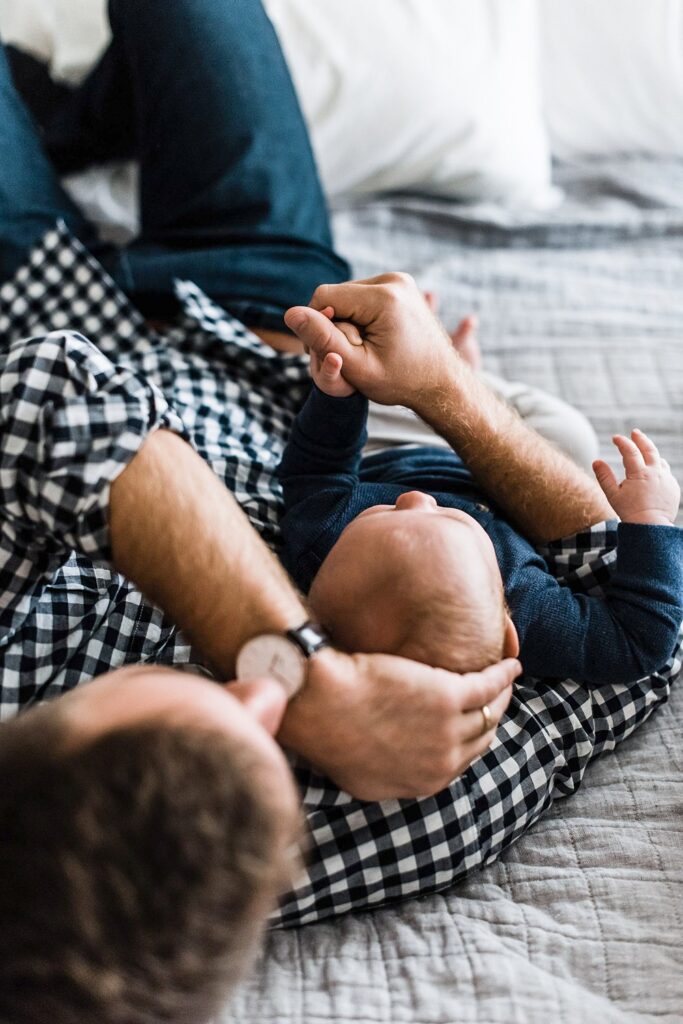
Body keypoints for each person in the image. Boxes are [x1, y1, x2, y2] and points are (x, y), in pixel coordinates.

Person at [0, 3, 520, 1021]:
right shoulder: (223, 874)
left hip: (28, 295)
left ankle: (53, 111)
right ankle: (62, 110)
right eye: (278, 729)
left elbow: (47, 391)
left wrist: (316, 684)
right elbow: (639, 619)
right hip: (272, 316)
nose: (267, 690)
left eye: (213, 682)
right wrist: (461, 402)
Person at [278, 296, 683, 683]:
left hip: (393, 445)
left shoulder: (319, 535)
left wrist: (337, 400)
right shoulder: (527, 611)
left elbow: (314, 470)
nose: (415, 498)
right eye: (448, 521)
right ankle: (472, 377)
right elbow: (637, 644)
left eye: (385, 514)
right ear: (510, 638)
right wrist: (650, 521)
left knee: (377, 391)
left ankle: (440, 364)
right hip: (494, 479)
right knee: (570, 433)